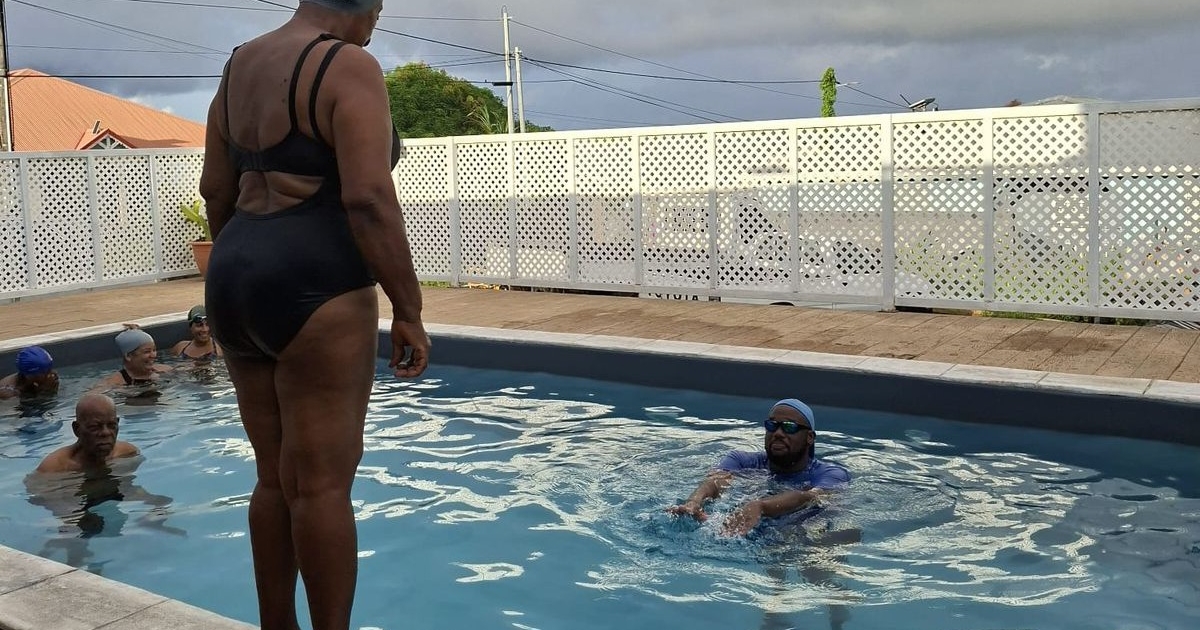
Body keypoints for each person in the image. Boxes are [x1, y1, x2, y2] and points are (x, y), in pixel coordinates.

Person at [198, 2, 431, 629]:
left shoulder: (238, 64)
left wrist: (243, 269)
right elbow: (368, 196)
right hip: (318, 277)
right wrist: (407, 307)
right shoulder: (347, 64)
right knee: (321, 487)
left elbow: (216, 190)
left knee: (273, 479)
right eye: (378, 11)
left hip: (236, 265)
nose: (376, 25)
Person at [669, 398, 850, 536]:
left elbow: (812, 496)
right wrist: (694, 501)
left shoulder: (831, 474)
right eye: (772, 425)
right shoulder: (741, 460)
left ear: (809, 437)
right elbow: (715, 482)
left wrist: (761, 506)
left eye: (789, 427)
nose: (778, 433)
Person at [35, 393, 139, 473]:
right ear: (77, 429)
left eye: (111, 425)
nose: (106, 432)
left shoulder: (128, 453)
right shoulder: (54, 468)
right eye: (94, 427)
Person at [94, 328, 174, 391]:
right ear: (128, 356)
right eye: (147, 351)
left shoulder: (164, 370)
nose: (153, 355)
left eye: (154, 350)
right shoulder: (115, 382)